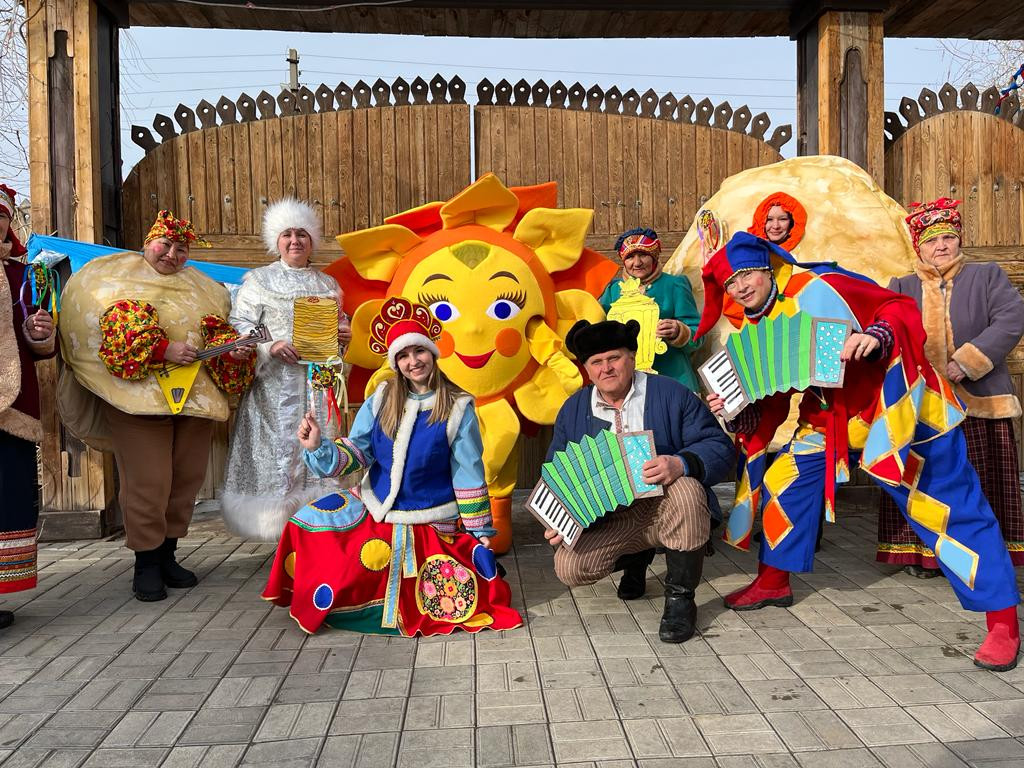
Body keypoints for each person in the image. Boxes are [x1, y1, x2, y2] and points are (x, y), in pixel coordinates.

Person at [700, 231, 1021, 671]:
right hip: (830, 419)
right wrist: (735, 411)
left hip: (903, 409)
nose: (740, 288)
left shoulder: (825, 284)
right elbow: (771, 399)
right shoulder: (757, 326)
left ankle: (1002, 620)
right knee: (783, 482)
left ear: (767, 269)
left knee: (950, 509)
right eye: (730, 283)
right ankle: (773, 580)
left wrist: (877, 334)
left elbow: (898, 307)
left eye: (746, 275)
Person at [262, 297, 522, 636]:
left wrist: (479, 532)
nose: (413, 362)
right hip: (374, 507)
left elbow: (468, 474)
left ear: (433, 353)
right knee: (307, 523)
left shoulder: (458, 407)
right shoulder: (382, 398)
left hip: (429, 521)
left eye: (419, 351)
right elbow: (357, 453)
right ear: (396, 362)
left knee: (446, 596)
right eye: (403, 355)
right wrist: (318, 447)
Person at [58, 210, 255, 602]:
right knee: (149, 480)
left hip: (193, 398)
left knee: (186, 478)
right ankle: (145, 562)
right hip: (136, 400)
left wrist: (231, 351)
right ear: (149, 242)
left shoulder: (204, 287)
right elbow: (99, 327)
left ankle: (168, 555)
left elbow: (218, 331)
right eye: (165, 245)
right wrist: (162, 349)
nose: (172, 255)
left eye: (181, 249)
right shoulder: (111, 277)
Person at [541, 319, 734, 643]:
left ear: (631, 357)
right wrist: (558, 517)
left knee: (687, 489)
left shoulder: (670, 393)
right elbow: (555, 470)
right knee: (569, 568)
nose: (606, 368)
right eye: (596, 362)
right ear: (587, 369)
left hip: (666, 506)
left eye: (614, 358)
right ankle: (638, 557)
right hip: (612, 518)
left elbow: (718, 445)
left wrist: (680, 462)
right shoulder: (573, 409)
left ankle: (681, 599)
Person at [877, 198, 1024, 576]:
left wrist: (968, 361)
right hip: (921, 406)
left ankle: (982, 557)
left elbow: (1011, 319)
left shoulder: (987, 276)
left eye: (948, 238)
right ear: (919, 247)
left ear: (959, 240)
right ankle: (925, 556)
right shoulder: (902, 287)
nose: (940, 246)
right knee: (926, 482)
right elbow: (888, 332)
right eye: (931, 240)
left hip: (977, 403)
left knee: (978, 483)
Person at [222, 199, 353, 540]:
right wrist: (270, 345)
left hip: (316, 388)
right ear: (276, 241)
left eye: (302, 234)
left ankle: (320, 531)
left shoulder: (328, 285)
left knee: (317, 450)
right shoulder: (258, 280)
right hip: (273, 390)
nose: (295, 240)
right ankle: (279, 537)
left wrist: (343, 335)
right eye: (287, 234)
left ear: (312, 241)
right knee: (277, 456)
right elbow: (239, 323)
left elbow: (338, 331)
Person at [0, 185, 55, 625]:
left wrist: (40, 333)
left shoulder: (23, 276)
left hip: (12, 408)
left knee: (8, 501)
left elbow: (38, 343)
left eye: (0, 216)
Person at [598, 228, 703, 391]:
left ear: (654, 256)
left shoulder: (674, 285)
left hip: (672, 379)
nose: (637, 263)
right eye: (630, 257)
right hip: (626, 385)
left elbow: (699, 336)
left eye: (643, 254)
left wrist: (678, 331)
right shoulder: (613, 291)